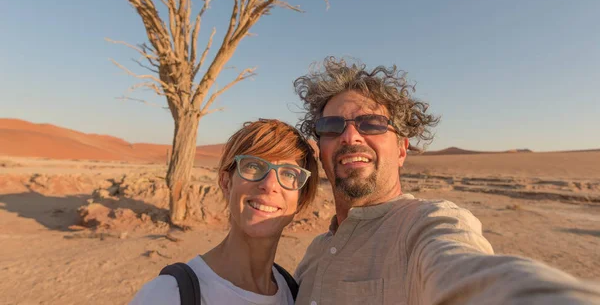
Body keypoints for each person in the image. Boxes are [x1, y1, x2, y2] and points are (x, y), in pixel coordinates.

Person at [292, 57, 600, 305]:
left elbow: (464, 270)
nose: (350, 135)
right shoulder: (314, 255)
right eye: (331, 126)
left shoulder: (426, 226)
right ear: (321, 149)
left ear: (402, 149)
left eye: (371, 123)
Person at [130, 119, 319, 305]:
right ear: (226, 182)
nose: (269, 185)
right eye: (253, 166)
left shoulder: (293, 293)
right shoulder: (167, 296)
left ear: (301, 198)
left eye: (289, 174)